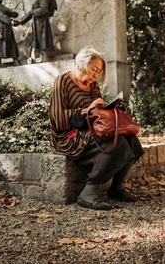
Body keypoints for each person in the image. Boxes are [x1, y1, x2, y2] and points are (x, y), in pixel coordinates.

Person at [49, 45, 144, 210]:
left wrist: (107, 108)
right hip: (68, 135)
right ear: (81, 65)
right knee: (117, 143)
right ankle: (88, 194)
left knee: (131, 139)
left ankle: (116, 189)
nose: (96, 75)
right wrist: (85, 110)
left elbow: (96, 113)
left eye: (99, 71)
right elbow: (57, 120)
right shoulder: (62, 81)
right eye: (94, 69)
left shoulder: (93, 86)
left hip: (90, 128)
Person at [20, 0, 55, 64]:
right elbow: (31, 12)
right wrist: (21, 21)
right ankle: (36, 57)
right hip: (37, 23)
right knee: (35, 41)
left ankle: (42, 58)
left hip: (41, 23)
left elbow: (45, 9)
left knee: (41, 42)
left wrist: (33, 12)